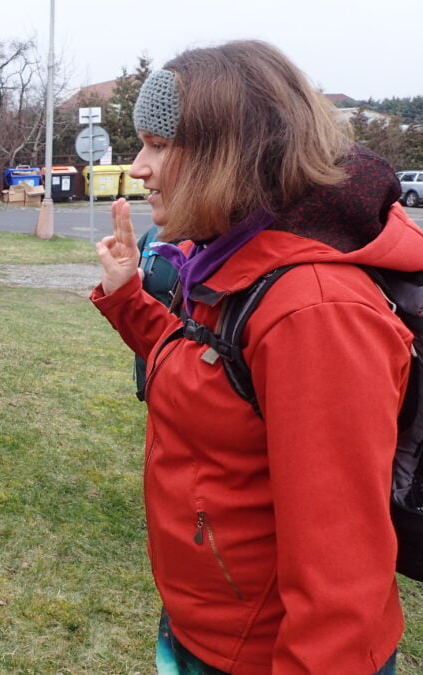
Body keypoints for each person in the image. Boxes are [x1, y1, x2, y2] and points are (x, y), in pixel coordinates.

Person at [90, 40, 417, 673]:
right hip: (209, 630)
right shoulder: (235, 261)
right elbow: (213, 374)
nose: (139, 168)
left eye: (159, 145)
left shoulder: (315, 311)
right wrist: (130, 298)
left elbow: (340, 579)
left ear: (228, 157)